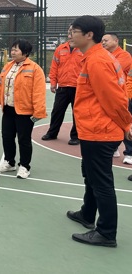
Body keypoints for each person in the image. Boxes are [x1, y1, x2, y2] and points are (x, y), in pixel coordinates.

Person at [65, 16, 132, 248]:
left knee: (101, 182)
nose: (70, 35)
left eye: (74, 31)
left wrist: (127, 124)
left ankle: (106, 232)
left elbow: (115, 99)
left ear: (89, 35)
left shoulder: (97, 61)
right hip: (92, 129)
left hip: (99, 131)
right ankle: (87, 213)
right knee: (91, 176)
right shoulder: (94, 58)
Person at [0, 39, 47, 179]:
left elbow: (39, 92)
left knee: (24, 140)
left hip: (25, 112)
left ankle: (24, 166)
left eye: (16, 49)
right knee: (7, 137)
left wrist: (38, 112)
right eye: (12, 49)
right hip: (8, 109)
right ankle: (9, 162)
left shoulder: (35, 69)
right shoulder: (7, 67)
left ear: (25, 52)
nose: (13, 52)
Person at [41, 26, 84, 145]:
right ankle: (52, 133)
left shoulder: (83, 49)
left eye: (73, 32)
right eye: (69, 32)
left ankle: (75, 136)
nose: (71, 35)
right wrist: (53, 82)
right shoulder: (60, 49)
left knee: (77, 113)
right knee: (57, 111)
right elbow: (54, 67)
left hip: (78, 87)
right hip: (63, 87)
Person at [101, 33, 132, 162]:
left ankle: (129, 153)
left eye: (106, 40)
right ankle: (113, 148)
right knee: (111, 123)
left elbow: (109, 71)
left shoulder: (124, 56)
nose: (103, 43)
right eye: (102, 40)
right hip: (109, 95)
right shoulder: (103, 55)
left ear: (116, 41)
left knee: (125, 122)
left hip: (122, 96)